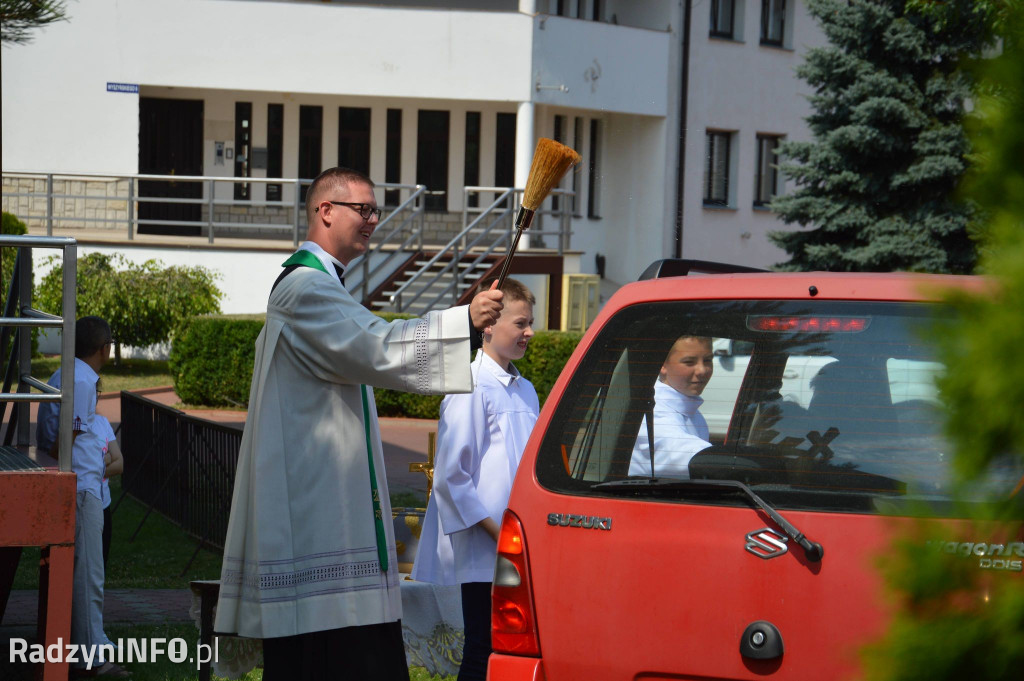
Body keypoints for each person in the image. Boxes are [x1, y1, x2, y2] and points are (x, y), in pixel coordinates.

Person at [215, 167, 504, 681]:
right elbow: (377, 345)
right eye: (362, 209)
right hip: (315, 515)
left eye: (376, 210)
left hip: (328, 503)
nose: (373, 220)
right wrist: (463, 319)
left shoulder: (321, 286)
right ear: (325, 211)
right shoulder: (305, 288)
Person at [411, 277, 539, 681]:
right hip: (488, 548)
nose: (529, 332)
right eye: (520, 323)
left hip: (517, 544)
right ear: (488, 325)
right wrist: (498, 534)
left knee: (514, 650)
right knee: (482, 650)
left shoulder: (526, 390)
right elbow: (452, 478)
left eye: (530, 323)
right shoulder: (469, 385)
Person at [36, 316, 130, 678]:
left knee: (79, 573)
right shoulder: (82, 379)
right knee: (90, 574)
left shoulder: (65, 373)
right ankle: (92, 656)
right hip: (84, 486)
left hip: (78, 481)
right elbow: (69, 438)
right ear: (104, 348)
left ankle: (85, 647)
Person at [628, 335, 715, 478]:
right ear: (662, 365)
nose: (702, 370)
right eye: (689, 362)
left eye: (708, 360)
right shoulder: (651, 414)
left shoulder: (692, 412)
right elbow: (684, 453)